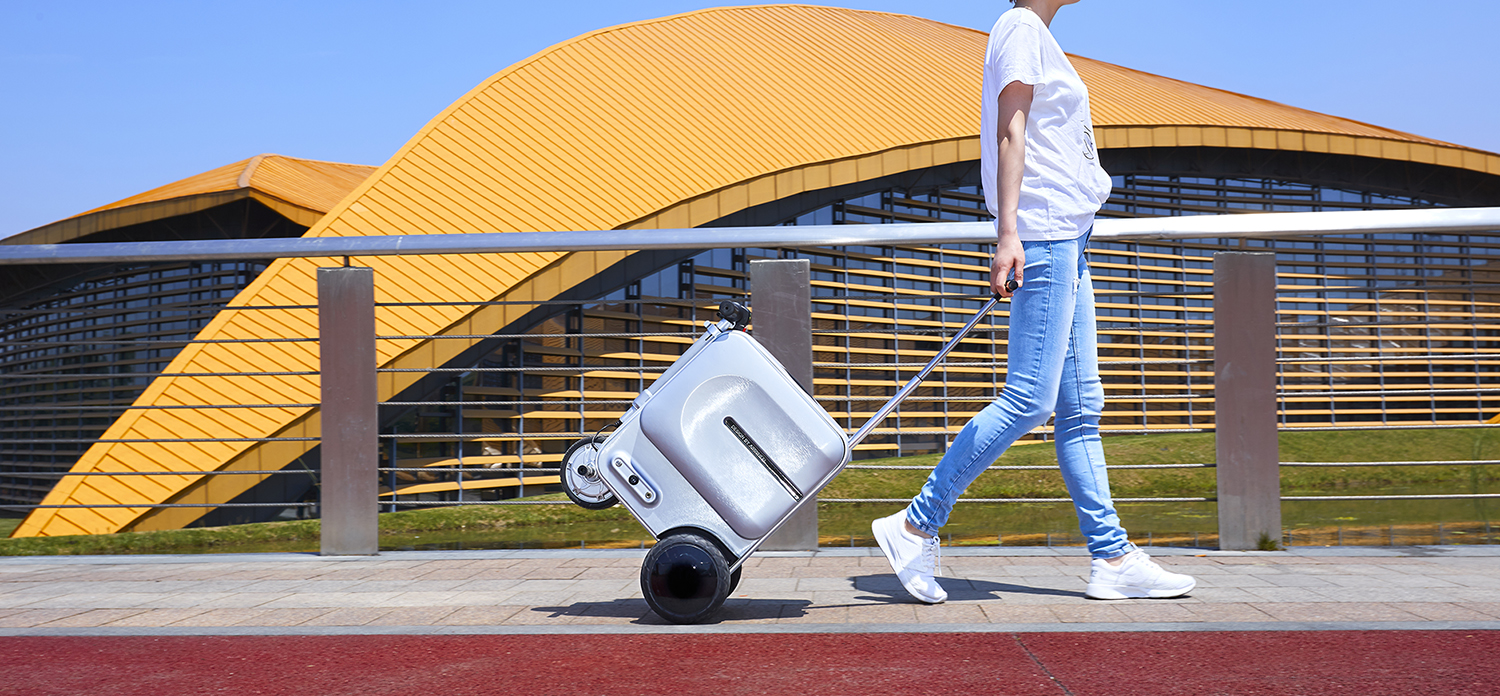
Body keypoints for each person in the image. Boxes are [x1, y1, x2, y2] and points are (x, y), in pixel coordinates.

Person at [872, 0, 1196, 603]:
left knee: (1081, 407)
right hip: (1043, 234)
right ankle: (915, 523)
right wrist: (1009, 234)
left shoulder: (1036, 35)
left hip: (1067, 237)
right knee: (1029, 398)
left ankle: (1113, 558)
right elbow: (1010, 130)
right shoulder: (1021, 27)